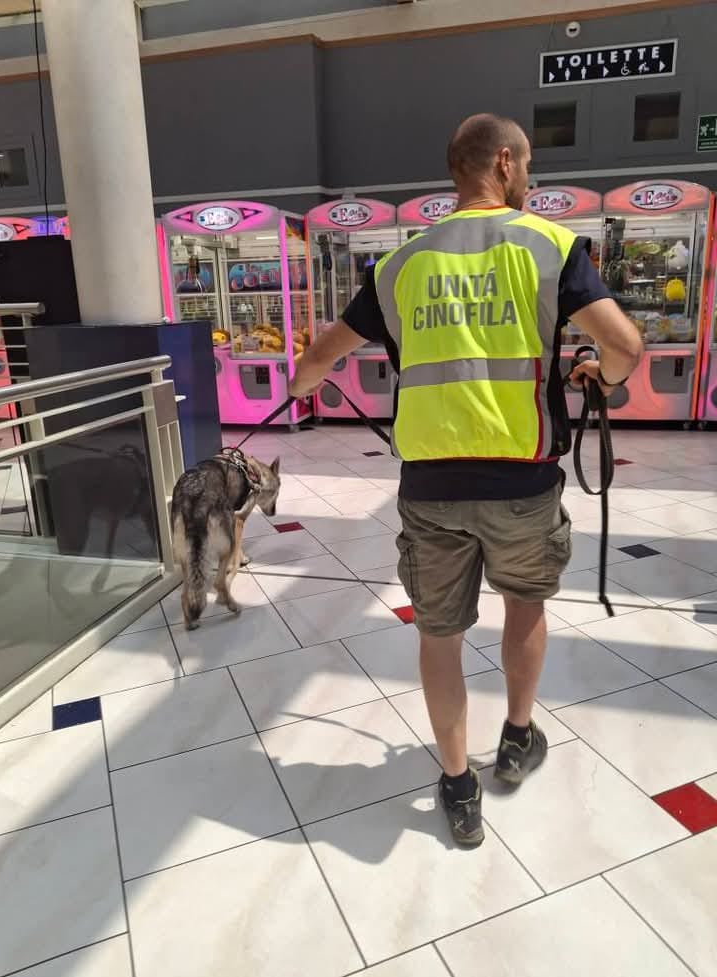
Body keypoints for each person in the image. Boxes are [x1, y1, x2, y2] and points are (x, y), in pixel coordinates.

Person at [289, 114, 642, 847]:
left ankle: (457, 785)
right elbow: (625, 345)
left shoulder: (399, 264)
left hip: (431, 490)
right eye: (528, 165)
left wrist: (300, 387)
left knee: (440, 636)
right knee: (524, 606)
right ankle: (516, 738)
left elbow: (320, 356)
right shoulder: (550, 246)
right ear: (505, 163)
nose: (529, 178)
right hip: (523, 482)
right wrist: (601, 378)